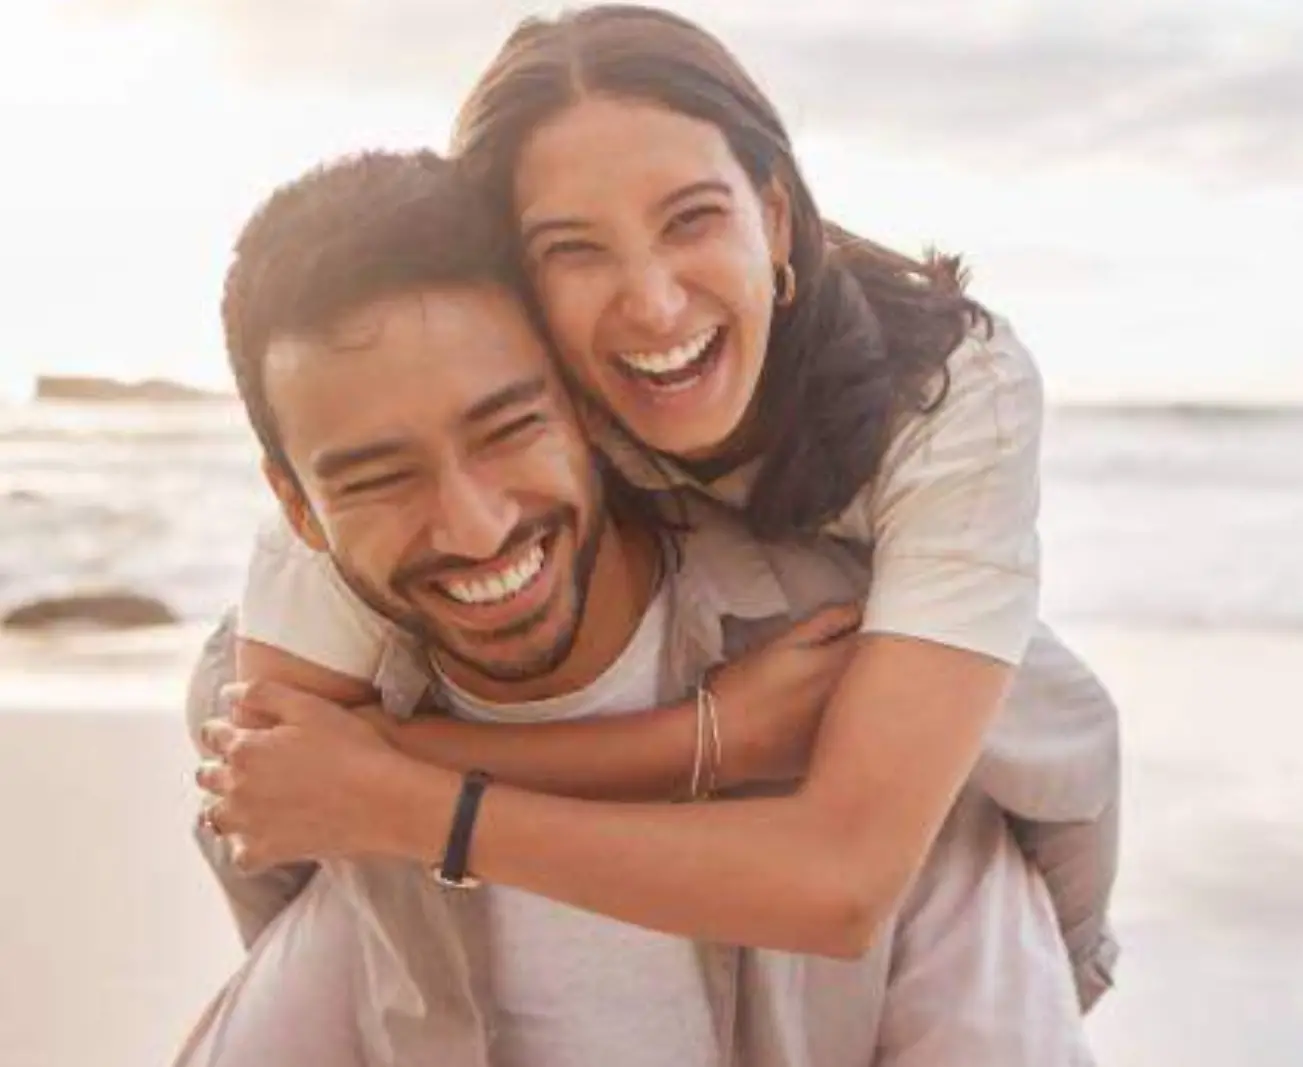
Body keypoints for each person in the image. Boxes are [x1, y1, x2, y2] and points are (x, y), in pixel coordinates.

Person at [205, 1, 1119, 1009]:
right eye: (574, 248)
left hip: (899, 657)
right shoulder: (475, 391)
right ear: (514, 278)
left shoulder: (953, 390)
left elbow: (845, 874)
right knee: (228, 704)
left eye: (691, 219)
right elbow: (281, 764)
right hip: (677, 641)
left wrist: (418, 800)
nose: (651, 303)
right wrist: (697, 735)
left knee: (1027, 739)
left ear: (773, 218)